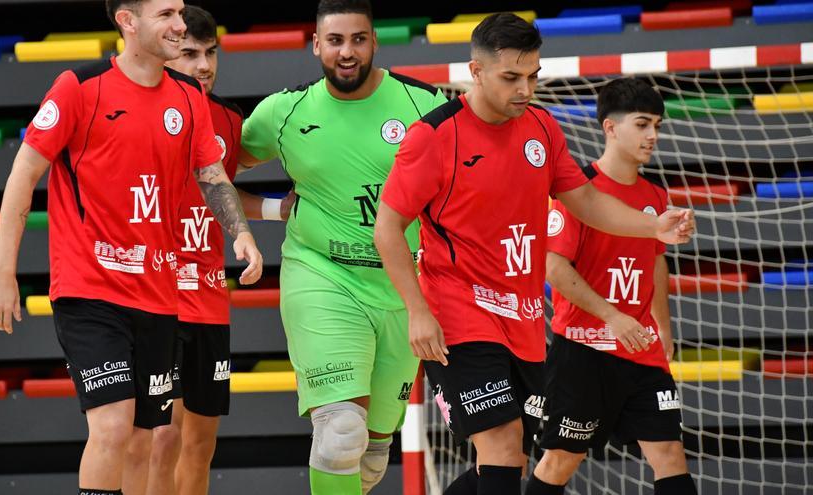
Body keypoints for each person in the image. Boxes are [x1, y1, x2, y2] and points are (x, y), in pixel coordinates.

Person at [374, 13, 694, 495]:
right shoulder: (434, 136)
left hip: (522, 321)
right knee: (502, 444)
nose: (526, 89)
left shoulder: (542, 128)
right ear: (476, 72)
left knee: (508, 458)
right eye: (511, 77)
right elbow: (388, 228)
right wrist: (417, 312)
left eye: (533, 76)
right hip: (458, 314)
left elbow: (584, 200)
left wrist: (655, 226)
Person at [0, 1, 262, 494]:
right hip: (90, 290)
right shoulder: (79, 88)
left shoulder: (188, 100)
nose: (179, 24)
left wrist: (239, 231)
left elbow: (212, 175)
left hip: (158, 294)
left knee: (142, 438)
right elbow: (24, 173)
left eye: (179, 11)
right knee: (111, 429)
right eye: (166, 15)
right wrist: (2, 271)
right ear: (128, 21)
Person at [238, 1, 447, 492]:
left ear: (374, 41)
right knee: (340, 435)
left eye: (358, 39)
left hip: (402, 290)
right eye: (335, 41)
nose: (347, 51)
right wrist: (271, 210)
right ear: (316, 45)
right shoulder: (284, 113)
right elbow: (211, 176)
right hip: (322, 275)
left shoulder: (424, 105)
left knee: (371, 456)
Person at [140, 6, 292, 495]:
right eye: (190, 53)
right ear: (167, 52)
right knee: (162, 436)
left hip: (208, 296)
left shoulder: (227, 120)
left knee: (200, 442)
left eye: (210, 53)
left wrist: (274, 210)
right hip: (155, 292)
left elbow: (219, 189)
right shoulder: (141, 110)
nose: (204, 65)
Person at [525, 78, 698, 495]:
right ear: (610, 128)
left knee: (670, 455)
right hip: (583, 351)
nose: (653, 135)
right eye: (642, 124)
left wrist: (663, 328)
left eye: (657, 124)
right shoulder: (577, 193)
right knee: (562, 461)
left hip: (642, 352)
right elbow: (552, 265)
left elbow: (655, 262)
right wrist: (612, 316)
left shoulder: (656, 196)